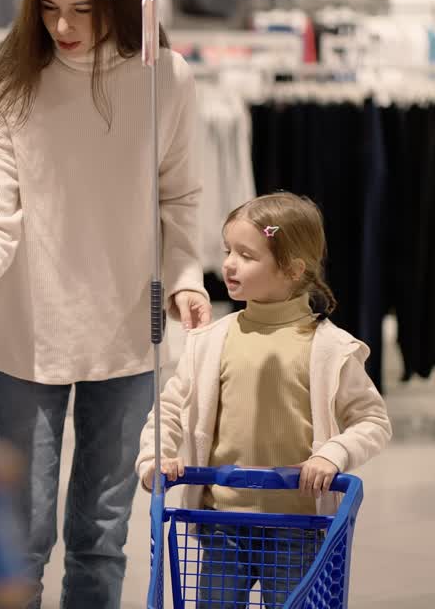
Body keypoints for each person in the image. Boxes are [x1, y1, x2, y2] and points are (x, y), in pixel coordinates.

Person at [0, 0, 212, 609]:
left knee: (100, 533)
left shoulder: (164, 78)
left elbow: (180, 196)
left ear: (116, 1)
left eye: (81, 11)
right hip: (30, 331)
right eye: (49, 8)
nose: (63, 26)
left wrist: (185, 278)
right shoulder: (16, 84)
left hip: (127, 332)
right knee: (22, 534)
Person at [135, 193, 392, 607]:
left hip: (297, 526)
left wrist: (333, 454)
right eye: (227, 251)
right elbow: (167, 410)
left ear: (292, 269)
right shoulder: (211, 342)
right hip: (220, 522)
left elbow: (373, 422)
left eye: (246, 255)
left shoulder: (330, 349)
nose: (230, 264)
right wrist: (155, 459)